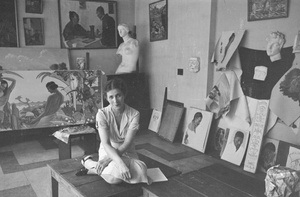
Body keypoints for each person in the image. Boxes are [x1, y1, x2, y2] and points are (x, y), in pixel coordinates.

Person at [77, 78, 150, 185]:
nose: (115, 101)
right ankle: (91, 164)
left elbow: (127, 143)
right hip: (108, 149)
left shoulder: (134, 114)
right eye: (111, 97)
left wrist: (107, 160)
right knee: (115, 179)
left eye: (118, 95)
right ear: (106, 98)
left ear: (124, 95)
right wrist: (120, 163)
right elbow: (106, 143)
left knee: (141, 171)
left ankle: (92, 167)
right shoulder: (102, 114)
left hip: (127, 150)